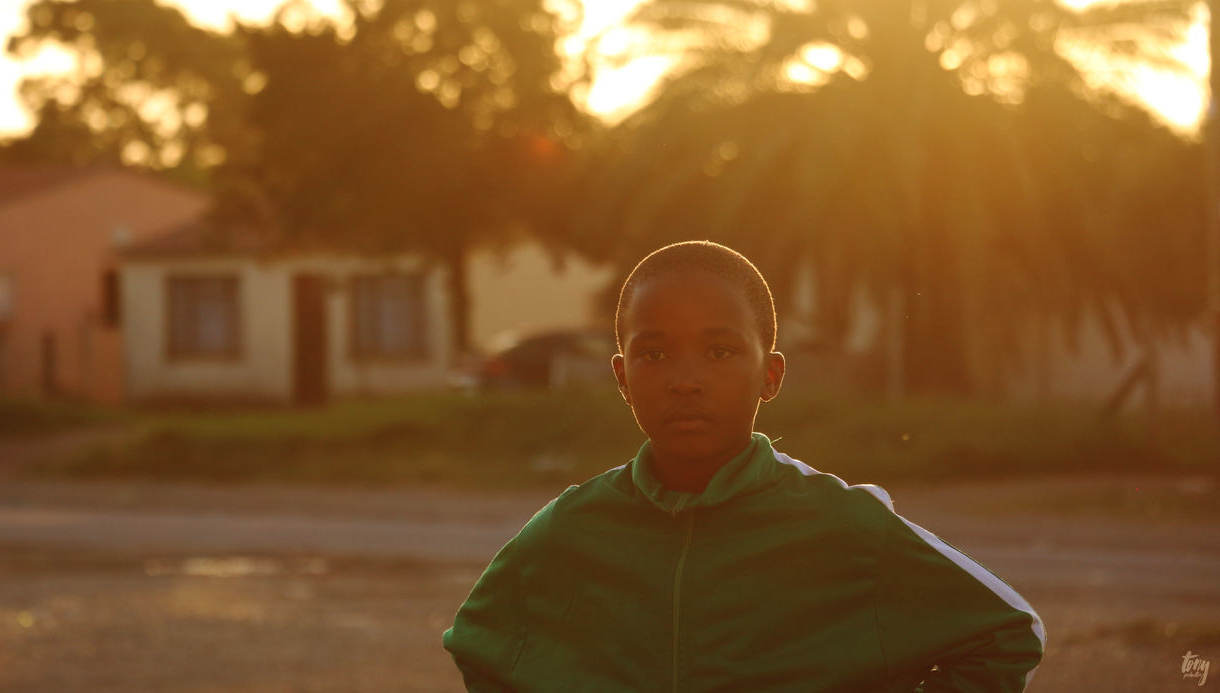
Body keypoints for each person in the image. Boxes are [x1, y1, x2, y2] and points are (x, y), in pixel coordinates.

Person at [443, 241, 1045, 692]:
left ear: (771, 375)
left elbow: (1008, 632)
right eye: (653, 354)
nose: (685, 380)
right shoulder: (569, 530)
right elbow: (480, 647)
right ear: (623, 378)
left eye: (720, 351)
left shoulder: (844, 526)